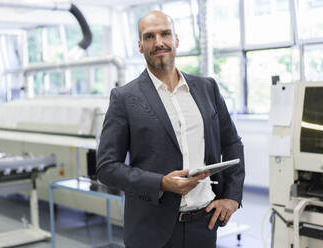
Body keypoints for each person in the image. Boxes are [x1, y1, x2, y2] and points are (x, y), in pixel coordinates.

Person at [96, 10, 245, 248]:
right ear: (140, 45)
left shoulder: (207, 88)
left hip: (204, 225)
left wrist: (232, 197)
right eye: (149, 37)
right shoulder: (124, 98)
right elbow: (106, 168)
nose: (158, 42)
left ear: (176, 39)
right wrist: (161, 183)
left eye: (165, 34)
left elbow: (232, 143)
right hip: (151, 230)